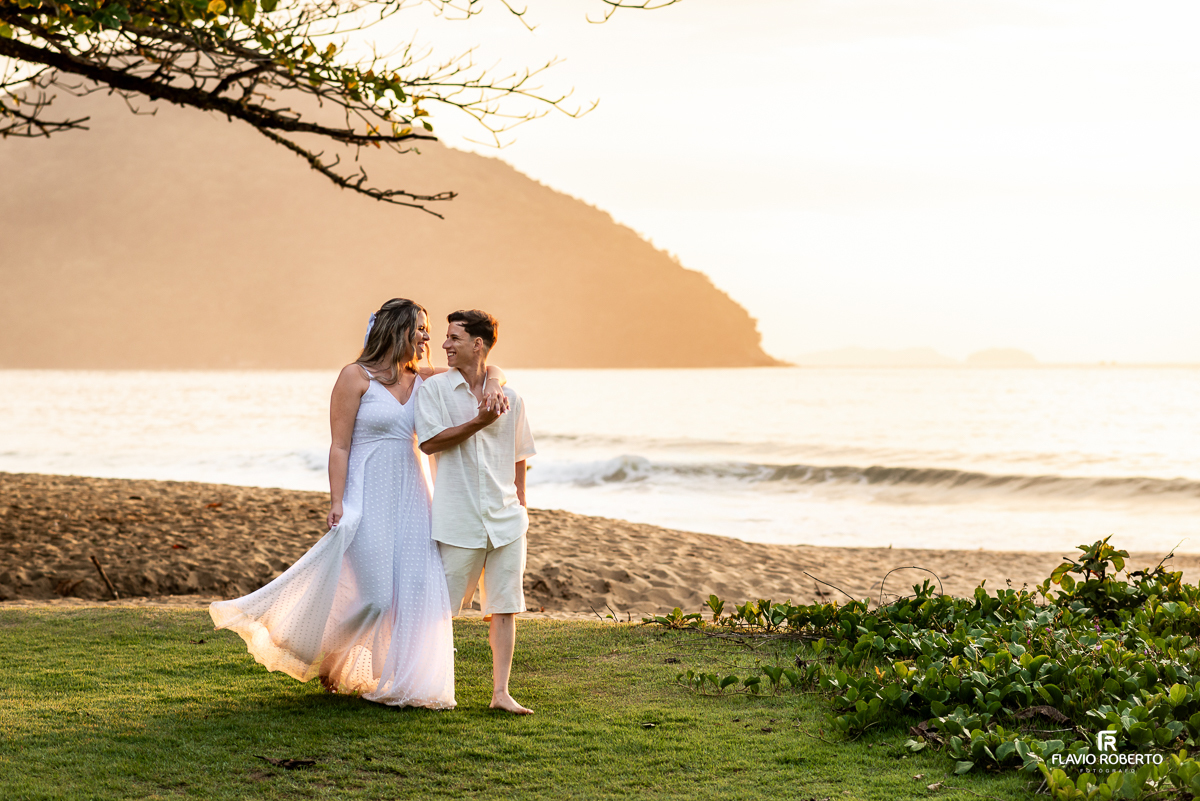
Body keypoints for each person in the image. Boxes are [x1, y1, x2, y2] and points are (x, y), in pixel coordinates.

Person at [209, 298, 508, 709]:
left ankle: (406, 680)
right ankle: (332, 656)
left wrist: (493, 383)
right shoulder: (355, 377)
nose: (427, 337)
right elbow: (339, 445)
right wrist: (338, 501)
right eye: (421, 328)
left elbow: (485, 367)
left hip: (412, 492)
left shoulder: (422, 378)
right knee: (377, 597)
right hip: (366, 493)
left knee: (419, 587)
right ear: (399, 329)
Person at [415, 309, 536, 715]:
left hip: (506, 521)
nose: (444, 345)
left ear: (478, 344)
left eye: (453, 338)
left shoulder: (511, 397)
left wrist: (520, 501)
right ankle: (424, 684)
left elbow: (520, 455)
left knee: (504, 608)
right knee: (440, 611)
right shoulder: (434, 391)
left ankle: (501, 692)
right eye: (445, 338)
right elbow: (430, 443)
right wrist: (480, 420)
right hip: (457, 519)